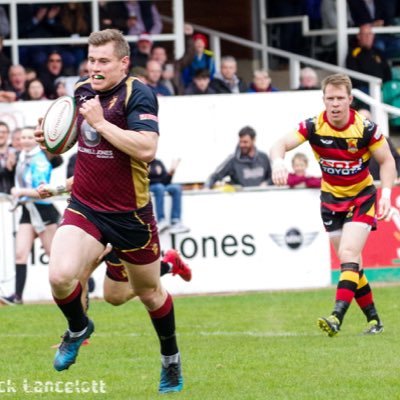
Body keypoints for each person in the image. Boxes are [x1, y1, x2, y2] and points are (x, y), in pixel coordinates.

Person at [33, 29, 183, 394]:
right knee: (60, 275)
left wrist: (101, 122)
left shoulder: (139, 94)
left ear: (123, 62)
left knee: (147, 294)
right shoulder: (83, 91)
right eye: (91, 60)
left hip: (130, 214)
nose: (94, 68)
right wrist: (53, 139)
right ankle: (78, 327)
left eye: (103, 61)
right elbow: (82, 144)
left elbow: (146, 149)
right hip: (85, 206)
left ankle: (171, 360)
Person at [270, 73, 396, 336]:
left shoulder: (365, 128)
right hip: (330, 200)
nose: (335, 104)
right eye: (330, 98)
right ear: (323, 99)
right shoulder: (314, 126)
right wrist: (278, 162)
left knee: (349, 256)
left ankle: (336, 316)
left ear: (350, 99)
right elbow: (280, 144)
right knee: (352, 264)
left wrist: (385, 195)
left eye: (340, 98)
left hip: (361, 197)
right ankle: (374, 320)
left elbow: (387, 161)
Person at [0, 127, 60, 305]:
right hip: (28, 210)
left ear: (35, 140)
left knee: (54, 255)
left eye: (29, 137)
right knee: (20, 254)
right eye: (22, 137)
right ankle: (17, 296)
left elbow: (43, 192)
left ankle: (77, 287)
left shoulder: (40, 160)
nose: (25, 140)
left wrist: (20, 191)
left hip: (43, 212)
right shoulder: (22, 157)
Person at [205, 126, 272, 188]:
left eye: (245, 142)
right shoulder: (232, 160)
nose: (242, 145)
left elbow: (272, 177)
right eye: (240, 142)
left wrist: (266, 183)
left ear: (254, 140)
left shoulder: (264, 158)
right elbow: (214, 176)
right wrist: (206, 188)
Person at [346, 24, 392, 93]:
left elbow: (387, 71)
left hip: (383, 88)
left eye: (370, 34)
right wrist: (372, 86)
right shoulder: (354, 54)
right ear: (359, 36)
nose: (368, 37)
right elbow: (354, 78)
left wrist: (386, 85)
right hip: (366, 90)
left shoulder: (378, 52)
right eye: (365, 34)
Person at [357, 108, 400, 180]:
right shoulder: (348, 141)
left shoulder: (383, 139)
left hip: (380, 184)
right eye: (361, 119)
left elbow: (397, 159)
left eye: (367, 119)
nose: (364, 122)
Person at [149, 158, 189, 234]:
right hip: (150, 187)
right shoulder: (142, 162)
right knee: (159, 187)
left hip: (161, 186)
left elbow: (166, 181)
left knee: (176, 188)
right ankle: (161, 220)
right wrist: (159, 182)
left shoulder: (158, 162)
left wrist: (171, 172)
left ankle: (175, 221)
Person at [0, 121, 16, 194]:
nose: (1, 135)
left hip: (14, 199)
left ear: (8, 134)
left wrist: (14, 166)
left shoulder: (17, 153)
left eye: (3, 132)